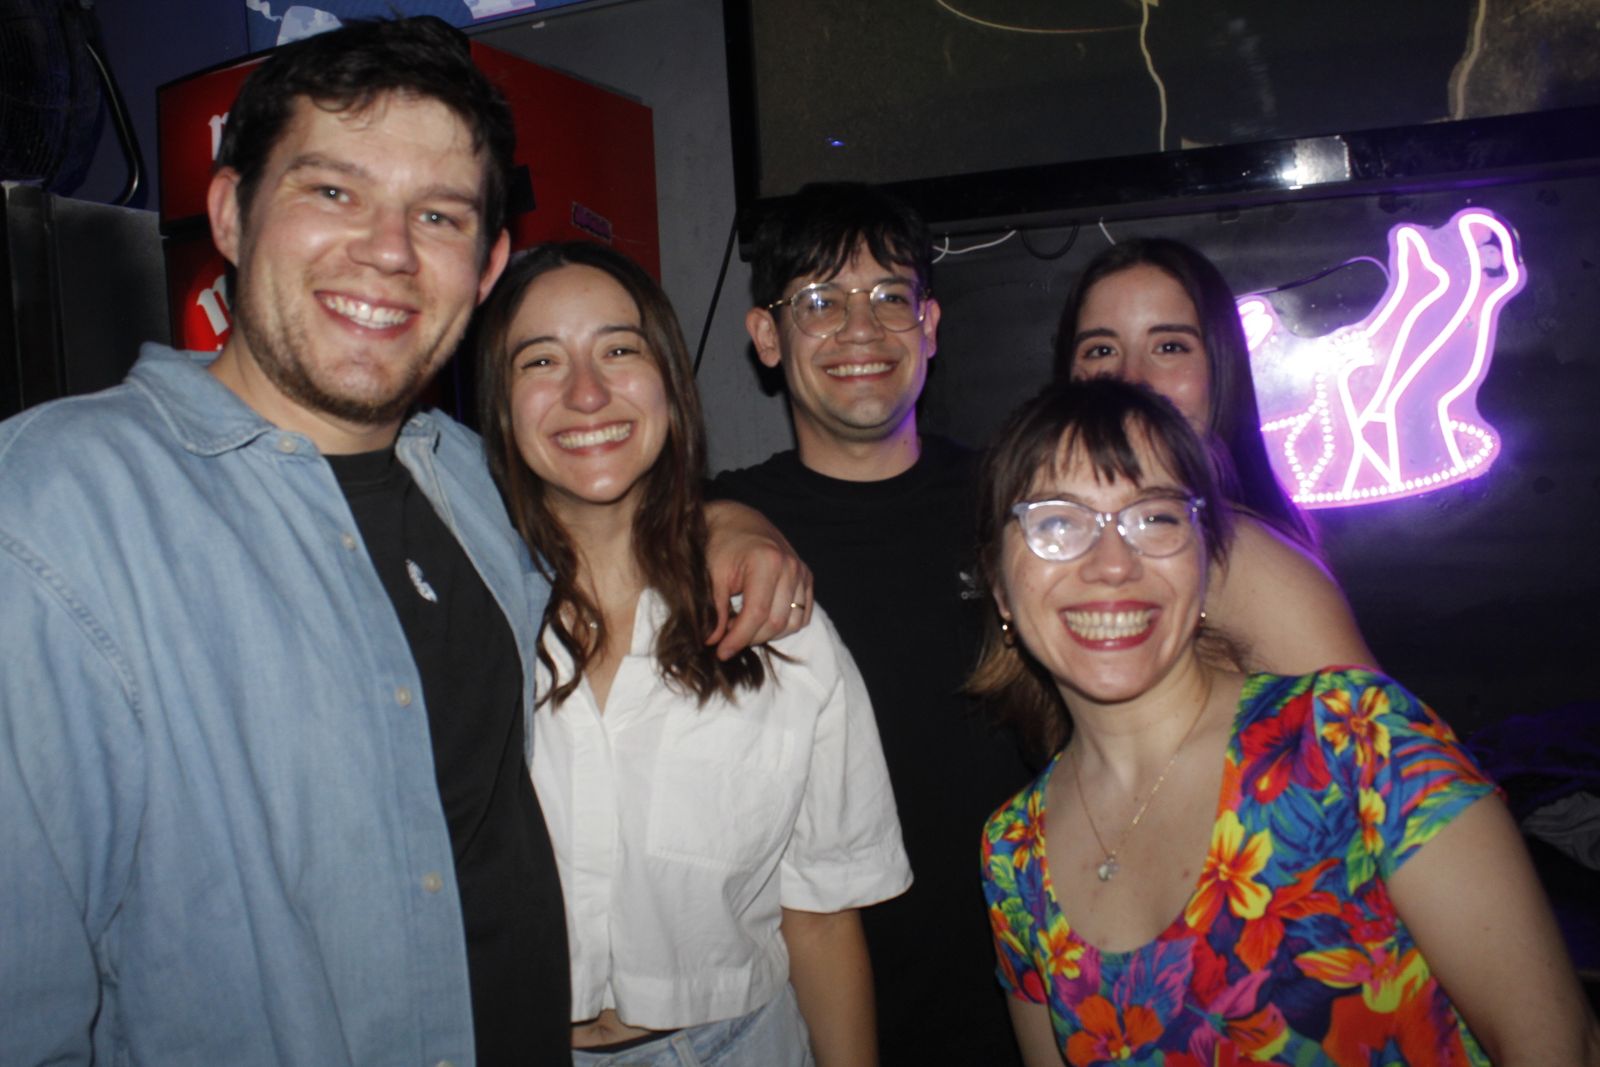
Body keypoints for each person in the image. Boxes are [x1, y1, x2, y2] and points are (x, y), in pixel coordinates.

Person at [0, 18, 806, 1067]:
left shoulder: (474, 478)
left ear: (486, 266)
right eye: (332, 191)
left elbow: (623, 520)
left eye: (436, 213)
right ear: (233, 214)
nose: (386, 249)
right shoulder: (52, 514)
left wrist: (727, 517)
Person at [971, 377, 1600, 1065]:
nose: (1114, 563)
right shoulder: (1013, 854)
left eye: (1155, 517)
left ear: (1204, 558)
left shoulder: (1353, 735)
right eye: (1058, 522)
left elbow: (1557, 1041)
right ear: (1001, 585)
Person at [475, 240, 911, 1066]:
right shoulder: (457, 622)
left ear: (671, 381)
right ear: (499, 401)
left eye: (618, 349)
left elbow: (819, 918)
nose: (587, 391)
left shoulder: (781, 627)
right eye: (541, 359)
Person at [714, 182, 1033, 1065]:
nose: (861, 329)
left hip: (1024, 995)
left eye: (889, 296)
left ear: (929, 325)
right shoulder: (716, 525)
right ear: (768, 339)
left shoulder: (1017, 502)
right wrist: (716, 521)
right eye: (820, 302)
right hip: (805, 1010)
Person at [1053, 237, 1377, 674]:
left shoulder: (1239, 555)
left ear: (1220, 368)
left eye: (1169, 347)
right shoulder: (1059, 542)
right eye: (1101, 351)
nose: (1130, 378)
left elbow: (1379, 737)